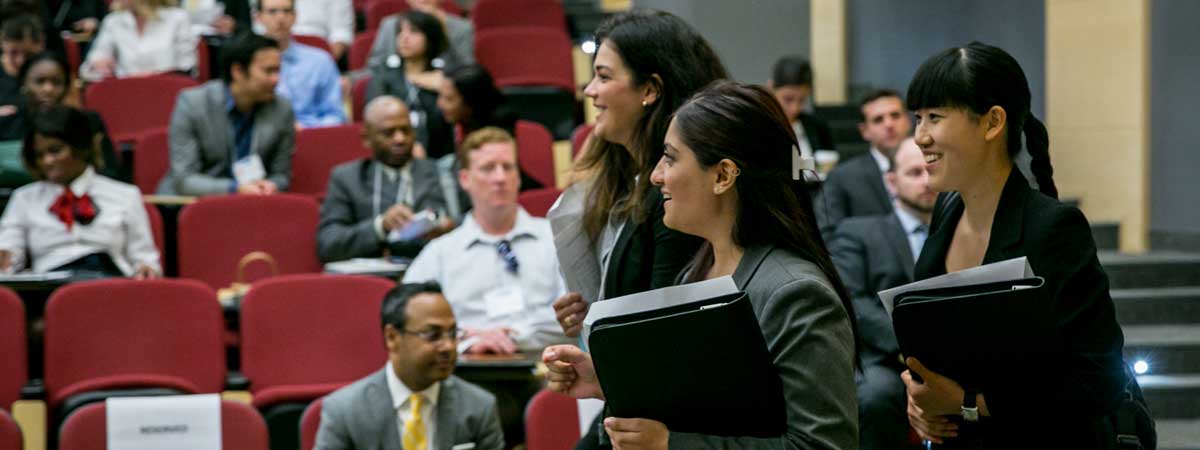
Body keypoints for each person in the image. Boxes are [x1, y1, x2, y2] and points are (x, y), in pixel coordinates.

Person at [544, 81, 858, 449]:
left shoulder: (795, 292)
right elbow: (711, 400)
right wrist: (609, 380)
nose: (655, 175)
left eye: (671, 158)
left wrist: (671, 445)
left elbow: (825, 445)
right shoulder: (695, 271)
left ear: (723, 176)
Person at [902, 42, 1125, 449]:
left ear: (992, 122)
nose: (920, 137)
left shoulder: (1053, 228)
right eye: (917, 118)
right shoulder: (947, 212)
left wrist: (970, 403)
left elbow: (1100, 379)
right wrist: (920, 399)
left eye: (935, 117)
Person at [548, 10, 727, 450]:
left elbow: (662, 339)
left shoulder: (678, 199)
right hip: (631, 408)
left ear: (650, 90)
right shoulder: (628, 179)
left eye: (603, 77)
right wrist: (594, 309)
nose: (589, 91)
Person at [403, 127, 568, 355]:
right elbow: (410, 317)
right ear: (465, 179)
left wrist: (512, 337)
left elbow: (574, 313)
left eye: (508, 167)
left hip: (549, 368)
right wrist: (467, 341)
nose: (500, 178)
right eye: (488, 168)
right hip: (467, 369)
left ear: (518, 177)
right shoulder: (440, 253)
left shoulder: (556, 240)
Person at [829, 138, 934, 450]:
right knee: (875, 395)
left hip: (950, 352)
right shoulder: (858, 232)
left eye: (930, 170)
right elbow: (852, 301)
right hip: (885, 355)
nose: (926, 181)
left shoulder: (960, 231)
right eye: (914, 173)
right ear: (891, 182)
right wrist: (910, 344)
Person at [313, 282, 504, 450]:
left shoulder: (479, 407)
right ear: (392, 338)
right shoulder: (345, 411)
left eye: (453, 333)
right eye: (432, 335)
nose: (448, 346)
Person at [0, 105, 160, 277]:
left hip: (111, 286)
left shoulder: (125, 195)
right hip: (49, 289)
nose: (47, 161)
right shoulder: (24, 198)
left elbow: (145, 257)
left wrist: (146, 268)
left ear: (81, 147)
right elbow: (9, 248)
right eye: (39, 155)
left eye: (55, 151)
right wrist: (6, 258)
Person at [317, 95, 451, 263]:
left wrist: (449, 227)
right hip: (372, 277)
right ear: (366, 138)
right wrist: (381, 226)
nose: (400, 139)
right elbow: (329, 245)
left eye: (406, 130)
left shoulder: (441, 172)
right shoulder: (347, 178)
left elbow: (470, 222)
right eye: (389, 133)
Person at [158, 32, 294, 196]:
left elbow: (281, 175)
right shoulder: (193, 104)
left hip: (256, 202)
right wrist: (234, 189)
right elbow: (184, 179)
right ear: (237, 71)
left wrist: (271, 185)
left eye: (278, 71)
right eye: (268, 71)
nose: (276, 79)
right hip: (195, 203)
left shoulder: (282, 109)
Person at [818, 89, 912, 233]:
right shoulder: (842, 178)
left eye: (895, 115)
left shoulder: (932, 169)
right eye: (878, 119)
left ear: (908, 121)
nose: (889, 124)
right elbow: (828, 234)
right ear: (864, 131)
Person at [365, 10, 455, 160]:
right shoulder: (384, 74)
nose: (404, 38)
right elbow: (376, 117)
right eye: (400, 32)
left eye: (413, 31)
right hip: (395, 153)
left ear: (430, 37)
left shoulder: (445, 75)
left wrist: (446, 88)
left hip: (442, 154)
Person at [18, 52, 121, 180]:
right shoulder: (7, 125)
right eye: (40, 82)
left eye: (56, 82)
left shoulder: (88, 122)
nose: (48, 89)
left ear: (66, 86)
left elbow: (110, 172)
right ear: (24, 84)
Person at [255, 0, 346, 128]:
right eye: (272, 11)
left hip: (312, 137)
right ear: (258, 17)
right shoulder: (248, 63)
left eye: (286, 11)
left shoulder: (320, 61)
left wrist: (307, 130)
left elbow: (336, 116)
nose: (280, 18)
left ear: (295, 16)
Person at [79, 0, 197, 82]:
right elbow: (88, 69)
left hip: (167, 92)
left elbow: (188, 66)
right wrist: (99, 65)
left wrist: (152, 77)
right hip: (126, 92)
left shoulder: (178, 18)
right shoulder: (113, 21)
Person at [367, 0, 474, 72]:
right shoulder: (390, 24)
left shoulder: (462, 27)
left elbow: (466, 69)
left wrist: (442, 29)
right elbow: (374, 65)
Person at [768, 55, 834, 161]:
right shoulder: (758, 125)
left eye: (802, 100)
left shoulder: (818, 127)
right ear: (771, 88)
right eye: (788, 99)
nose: (795, 108)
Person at [0, 14, 44, 140]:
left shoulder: (49, 69)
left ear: (41, 44)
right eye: (13, 53)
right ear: (2, 42)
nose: (21, 61)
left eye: (29, 54)